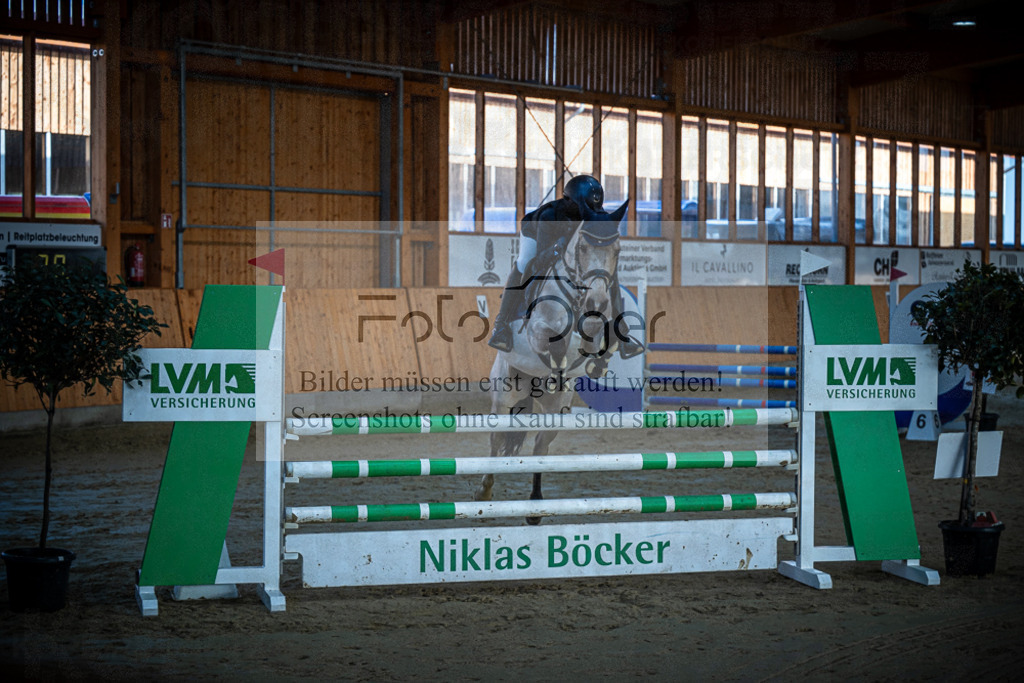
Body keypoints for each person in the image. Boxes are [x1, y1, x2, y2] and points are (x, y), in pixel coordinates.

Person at [488, 174, 643, 360]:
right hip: (534, 233)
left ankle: (620, 331)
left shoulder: (595, 213)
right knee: (523, 264)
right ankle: (502, 325)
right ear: (569, 201)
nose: (588, 213)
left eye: (594, 208)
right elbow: (540, 261)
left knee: (609, 274)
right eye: (583, 208)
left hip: (569, 244)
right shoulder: (548, 216)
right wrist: (557, 247)